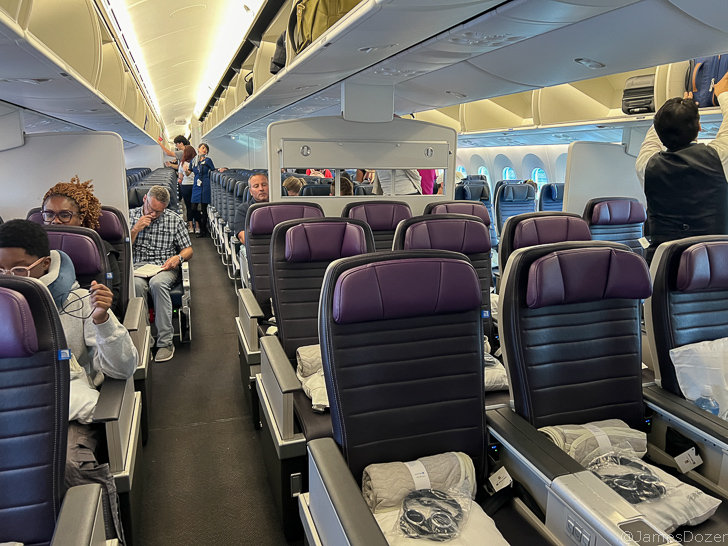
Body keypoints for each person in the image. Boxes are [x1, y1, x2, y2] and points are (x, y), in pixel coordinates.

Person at [0, 219, 137, 541]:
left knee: (70, 467)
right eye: (0, 271)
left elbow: (123, 368)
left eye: (18, 271)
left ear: (45, 263)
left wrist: (103, 322)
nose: (7, 280)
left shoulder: (78, 304)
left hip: (66, 411)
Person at [636, 80, 728, 263]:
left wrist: (676, 109)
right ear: (699, 127)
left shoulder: (645, 165)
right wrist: (722, 94)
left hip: (663, 265)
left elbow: (654, 135)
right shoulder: (720, 156)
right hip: (715, 263)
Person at [42, 176, 123, 316]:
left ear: (80, 218)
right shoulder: (34, 250)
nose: (55, 221)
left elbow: (111, 302)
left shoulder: (103, 251)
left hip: (89, 318)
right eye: (48, 215)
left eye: (64, 215)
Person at [130, 186, 193, 362]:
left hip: (164, 266)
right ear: (144, 199)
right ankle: (145, 341)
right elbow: (121, 249)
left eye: (159, 211)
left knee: (157, 284)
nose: (153, 214)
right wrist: (135, 229)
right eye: (151, 209)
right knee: (135, 285)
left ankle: (165, 342)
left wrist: (178, 258)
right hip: (138, 266)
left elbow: (188, 249)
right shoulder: (129, 216)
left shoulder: (174, 220)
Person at [234, 173, 269, 244]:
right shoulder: (243, 209)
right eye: (256, 186)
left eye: (264, 185)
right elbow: (243, 238)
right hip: (256, 249)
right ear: (250, 192)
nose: (261, 189)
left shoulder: (279, 207)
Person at [190, 143, 215, 237]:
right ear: (198, 149)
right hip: (197, 184)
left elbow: (213, 170)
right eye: (203, 148)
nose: (205, 150)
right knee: (193, 207)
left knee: (204, 208)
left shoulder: (208, 160)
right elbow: (190, 170)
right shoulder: (194, 161)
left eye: (206, 149)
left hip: (205, 184)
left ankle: (203, 231)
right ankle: (200, 225)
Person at [178, 145, 196, 234]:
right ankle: (198, 227)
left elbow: (180, 176)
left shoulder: (182, 164)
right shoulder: (196, 163)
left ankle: (191, 227)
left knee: (188, 206)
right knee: (195, 206)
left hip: (185, 186)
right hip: (195, 186)